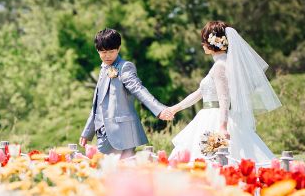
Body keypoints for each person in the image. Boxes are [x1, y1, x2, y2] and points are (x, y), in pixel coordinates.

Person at [162, 21, 281, 163]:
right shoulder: (221, 64)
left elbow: (224, 99)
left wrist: (223, 127)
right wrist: (174, 109)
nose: (202, 44)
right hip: (211, 114)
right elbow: (199, 93)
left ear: (213, 42)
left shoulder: (220, 66)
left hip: (216, 117)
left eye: (204, 40)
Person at [80, 28, 170, 159]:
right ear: (97, 50)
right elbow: (97, 105)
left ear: (119, 49)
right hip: (103, 134)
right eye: (103, 52)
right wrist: (87, 133)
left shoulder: (125, 67)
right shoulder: (102, 70)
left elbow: (138, 89)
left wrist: (159, 109)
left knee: (123, 173)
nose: (107, 56)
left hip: (122, 133)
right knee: (104, 173)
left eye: (111, 51)